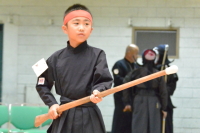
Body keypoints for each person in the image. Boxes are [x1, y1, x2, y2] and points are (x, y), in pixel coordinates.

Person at [35, 4, 113, 133]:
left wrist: (98, 91)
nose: (82, 28)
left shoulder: (98, 54)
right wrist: (52, 104)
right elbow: (41, 83)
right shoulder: (55, 57)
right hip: (64, 114)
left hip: (89, 116)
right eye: (76, 23)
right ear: (65, 28)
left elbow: (103, 80)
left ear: (91, 30)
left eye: (86, 24)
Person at [123, 49, 168, 133]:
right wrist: (164, 108)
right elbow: (163, 92)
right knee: (154, 127)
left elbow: (125, 85)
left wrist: (127, 102)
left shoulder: (135, 73)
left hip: (139, 100)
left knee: (138, 126)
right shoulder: (158, 74)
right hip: (154, 102)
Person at [111, 44, 139, 133]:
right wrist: (131, 82)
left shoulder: (136, 66)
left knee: (131, 122)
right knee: (120, 120)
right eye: (136, 53)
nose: (137, 56)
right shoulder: (119, 64)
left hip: (133, 98)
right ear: (129, 53)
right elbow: (118, 79)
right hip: (121, 98)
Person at [153, 44, 178, 133]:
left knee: (166, 128)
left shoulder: (169, 71)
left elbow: (170, 90)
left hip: (165, 103)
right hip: (152, 104)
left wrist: (161, 90)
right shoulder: (151, 69)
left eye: (157, 55)